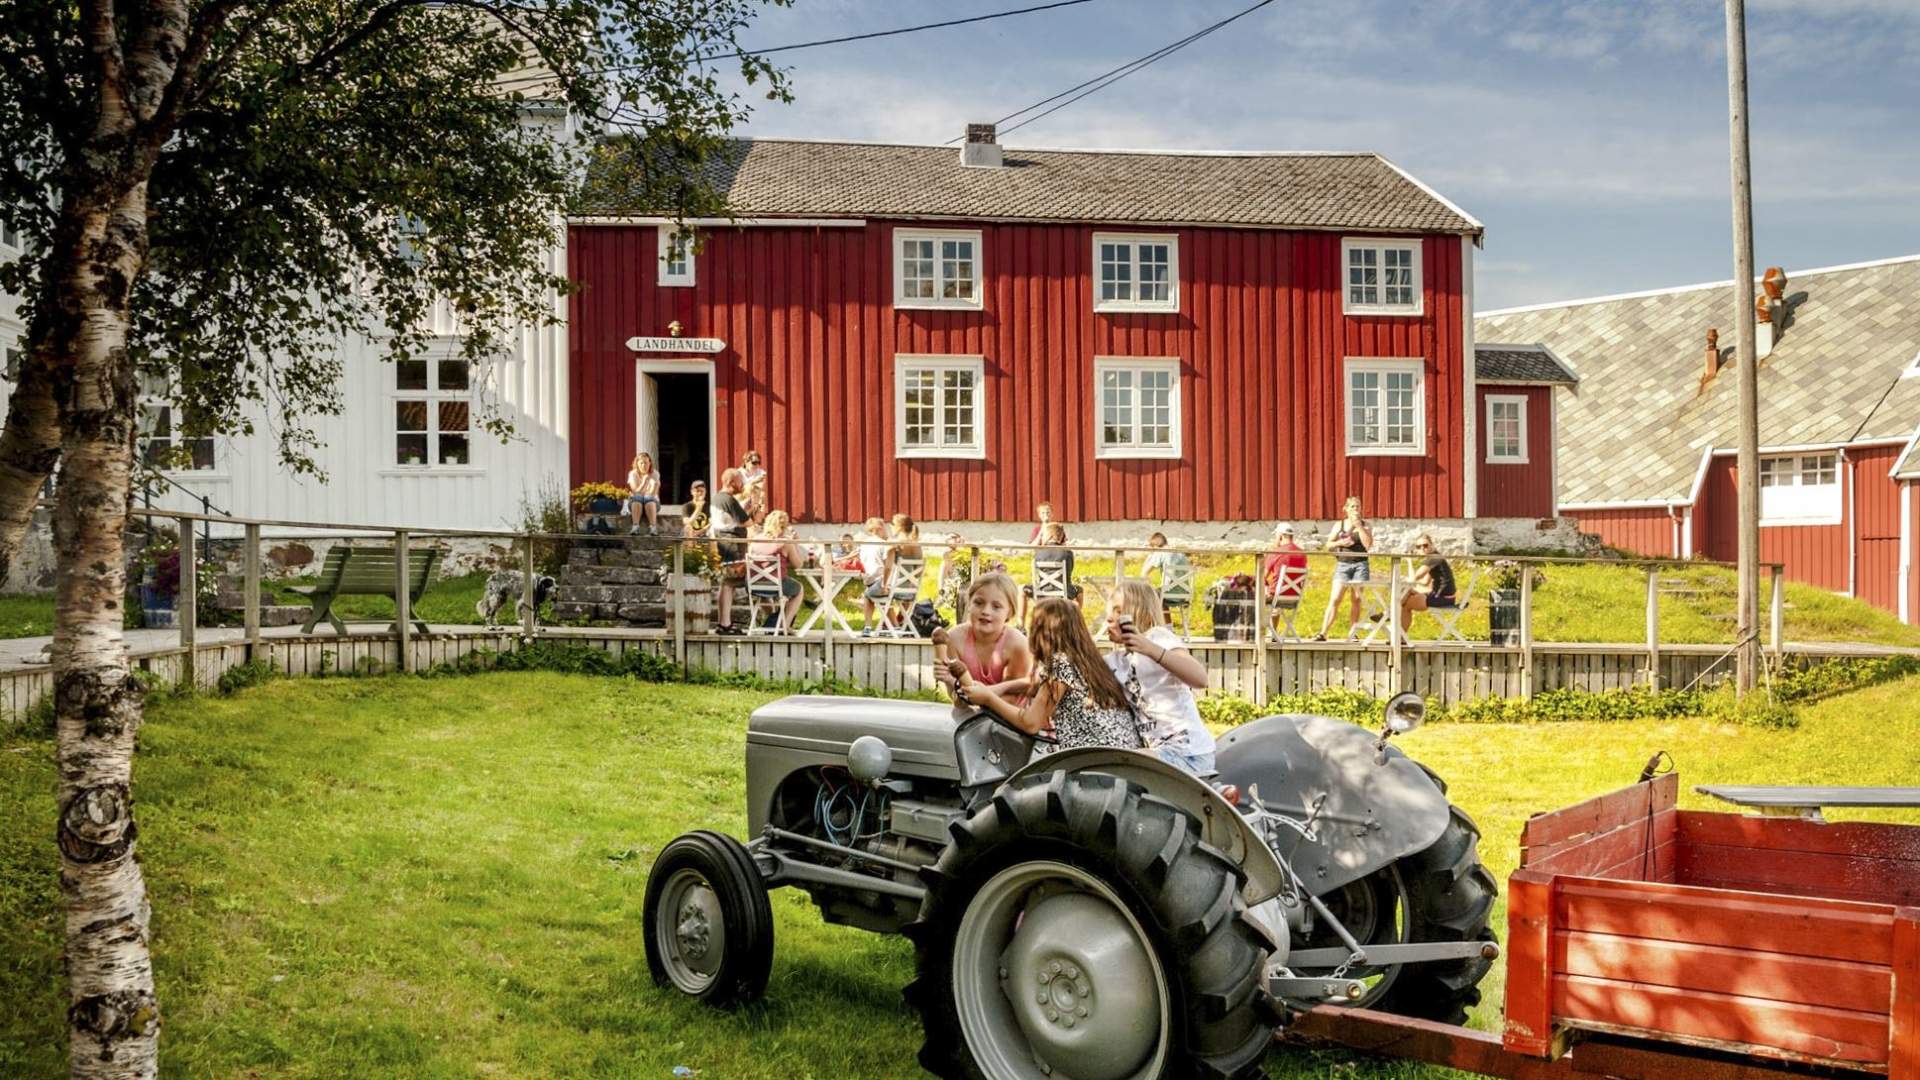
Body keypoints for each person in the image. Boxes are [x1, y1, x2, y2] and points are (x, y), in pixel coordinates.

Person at [963, 598, 1141, 751]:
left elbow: (1031, 723)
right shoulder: (1088, 661)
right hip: (1123, 756)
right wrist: (1000, 688)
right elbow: (1041, 686)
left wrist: (988, 699)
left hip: (1094, 763)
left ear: (1043, 632)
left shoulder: (1060, 663)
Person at [1105, 580, 1215, 775]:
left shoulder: (1158, 637)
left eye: (1118, 611)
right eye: (1109, 612)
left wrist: (1150, 649)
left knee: (1123, 766)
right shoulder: (1115, 661)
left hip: (1187, 751)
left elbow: (1200, 679)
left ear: (1142, 614)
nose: (1110, 618)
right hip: (1158, 751)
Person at [933, 572, 1034, 702]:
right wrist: (948, 679)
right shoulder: (954, 638)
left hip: (1009, 715)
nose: (986, 611)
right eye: (979, 603)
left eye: (996, 607)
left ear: (1010, 613)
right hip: (968, 712)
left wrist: (983, 697)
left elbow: (1012, 699)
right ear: (969, 604)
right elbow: (955, 697)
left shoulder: (1018, 645)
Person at [1315, 496, 1374, 641]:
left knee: (1356, 599)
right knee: (1335, 598)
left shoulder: (1366, 525)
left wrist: (1359, 526)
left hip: (1361, 564)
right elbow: (1328, 545)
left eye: (1358, 506)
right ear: (1346, 509)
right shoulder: (1339, 525)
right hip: (1343, 564)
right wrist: (1341, 542)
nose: (1356, 509)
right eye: (1353, 506)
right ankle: (1323, 632)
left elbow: (1367, 545)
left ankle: (1353, 633)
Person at [746, 510, 807, 631]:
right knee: (799, 590)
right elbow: (799, 565)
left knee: (765, 594)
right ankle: (785, 625)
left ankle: (772, 622)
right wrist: (795, 543)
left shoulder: (755, 540)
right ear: (784, 526)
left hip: (753, 585)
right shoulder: (785, 542)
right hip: (776, 584)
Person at [709, 469, 751, 635]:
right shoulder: (729, 499)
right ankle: (724, 623)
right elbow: (747, 522)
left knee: (726, 584)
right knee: (728, 584)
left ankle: (723, 622)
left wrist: (743, 508)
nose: (742, 484)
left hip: (723, 542)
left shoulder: (717, 497)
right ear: (732, 482)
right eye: (740, 481)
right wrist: (749, 509)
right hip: (731, 544)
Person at [1396, 532, 1458, 644]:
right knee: (1407, 592)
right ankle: (1394, 620)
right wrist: (1408, 581)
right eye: (1419, 547)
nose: (1422, 549)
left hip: (1442, 598)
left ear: (1432, 545)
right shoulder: (1435, 558)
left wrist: (1409, 562)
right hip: (1445, 597)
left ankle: (1391, 614)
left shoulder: (1433, 558)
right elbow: (1424, 582)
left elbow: (1414, 578)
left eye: (1425, 545)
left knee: (1404, 604)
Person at [1020, 521, 1079, 627]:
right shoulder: (1067, 552)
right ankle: (1075, 624)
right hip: (1063, 592)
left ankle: (1021, 625)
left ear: (1049, 535)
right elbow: (1069, 572)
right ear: (1060, 537)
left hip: (1042, 591)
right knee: (1080, 590)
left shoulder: (1038, 552)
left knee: (1021, 589)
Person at [1263, 522, 1308, 640]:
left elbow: (1262, 576)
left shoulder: (1276, 552)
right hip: (1294, 597)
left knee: (1255, 594)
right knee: (1273, 598)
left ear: (1281, 536)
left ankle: (1257, 632)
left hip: (1275, 596)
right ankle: (1272, 632)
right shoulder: (1302, 553)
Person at [1139, 531, 1192, 620]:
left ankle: (1147, 625)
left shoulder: (1161, 553)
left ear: (1155, 547)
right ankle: (1168, 628)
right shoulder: (1181, 554)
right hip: (1184, 595)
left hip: (1167, 594)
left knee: (1144, 594)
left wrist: (1150, 556)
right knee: (1160, 594)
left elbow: (1144, 572)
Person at [857, 517, 892, 633]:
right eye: (885, 527)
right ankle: (895, 626)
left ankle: (867, 626)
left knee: (868, 595)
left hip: (873, 581)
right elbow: (889, 565)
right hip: (884, 582)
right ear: (879, 528)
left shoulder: (864, 544)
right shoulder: (884, 544)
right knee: (881, 599)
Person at [626, 452, 661, 535]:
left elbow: (653, 493)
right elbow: (635, 492)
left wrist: (644, 491)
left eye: (646, 462)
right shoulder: (633, 474)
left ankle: (653, 528)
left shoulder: (655, 474)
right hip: (636, 504)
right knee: (638, 497)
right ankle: (635, 527)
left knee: (648, 497)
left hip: (652, 504)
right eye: (641, 463)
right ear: (637, 464)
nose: (644, 465)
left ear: (650, 463)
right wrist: (644, 482)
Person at [739, 450, 768, 523]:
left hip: (755, 501)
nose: (757, 465)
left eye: (759, 463)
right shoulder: (738, 473)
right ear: (746, 462)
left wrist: (758, 505)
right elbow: (740, 491)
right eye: (754, 463)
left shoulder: (761, 473)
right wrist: (754, 482)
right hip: (742, 500)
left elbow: (759, 489)